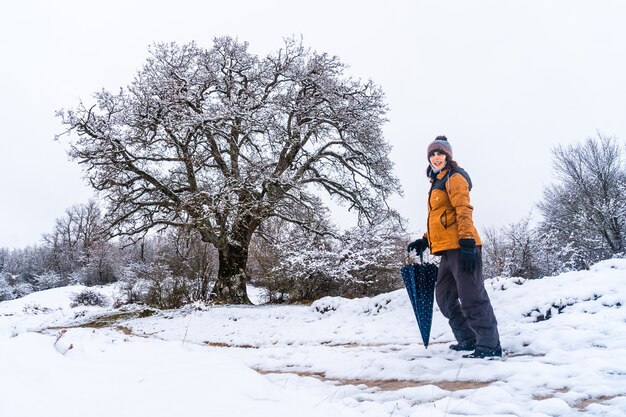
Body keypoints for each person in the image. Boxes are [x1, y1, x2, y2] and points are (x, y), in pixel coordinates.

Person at [407, 135, 502, 358]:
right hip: (446, 251)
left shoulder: (455, 177)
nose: (436, 157)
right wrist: (425, 240)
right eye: (432, 154)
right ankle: (468, 339)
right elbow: (440, 217)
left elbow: (463, 209)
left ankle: (489, 346)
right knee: (445, 298)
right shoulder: (436, 181)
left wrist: (468, 242)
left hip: (463, 247)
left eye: (440, 153)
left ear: (448, 156)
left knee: (472, 297)